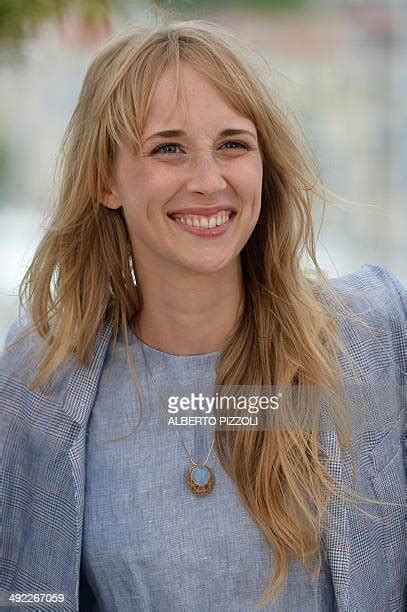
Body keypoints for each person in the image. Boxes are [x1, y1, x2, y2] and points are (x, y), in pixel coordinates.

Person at [0, 18, 405, 612]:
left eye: (232, 145)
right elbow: (24, 592)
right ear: (104, 179)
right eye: (169, 148)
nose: (208, 181)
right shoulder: (38, 383)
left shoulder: (371, 340)